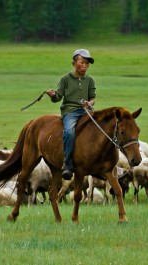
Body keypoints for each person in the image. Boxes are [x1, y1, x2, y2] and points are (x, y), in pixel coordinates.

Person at [46, 49, 96, 180]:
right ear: (74, 63)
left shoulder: (90, 80)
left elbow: (93, 98)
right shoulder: (65, 79)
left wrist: (89, 103)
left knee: (101, 128)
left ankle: (97, 159)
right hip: (70, 111)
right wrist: (52, 95)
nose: (85, 65)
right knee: (69, 132)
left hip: (86, 111)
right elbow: (57, 97)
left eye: (87, 63)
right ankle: (67, 164)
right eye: (82, 62)